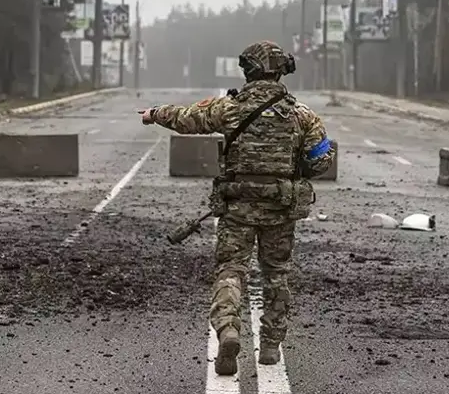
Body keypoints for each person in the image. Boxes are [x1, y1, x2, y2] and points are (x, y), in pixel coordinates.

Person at [138, 40, 334, 376]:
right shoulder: (303, 116)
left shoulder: (229, 109)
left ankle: (229, 330)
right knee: (276, 274)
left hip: (237, 207)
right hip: (280, 208)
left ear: (249, 71)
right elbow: (322, 159)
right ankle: (270, 347)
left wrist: (154, 114)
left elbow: (186, 119)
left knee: (231, 269)